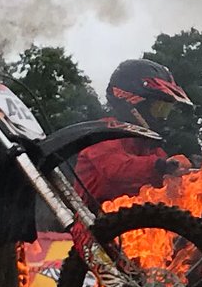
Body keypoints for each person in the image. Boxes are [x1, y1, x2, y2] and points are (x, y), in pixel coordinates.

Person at [73, 59, 195, 201]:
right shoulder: (103, 133)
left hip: (136, 220)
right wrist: (162, 166)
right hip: (94, 219)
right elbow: (117, 169)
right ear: (133, 101)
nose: (162, 117)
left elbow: (168, 185)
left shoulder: (150, 146)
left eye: (165, 110)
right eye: (158, 109)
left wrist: (190, 177)